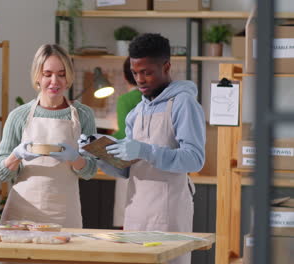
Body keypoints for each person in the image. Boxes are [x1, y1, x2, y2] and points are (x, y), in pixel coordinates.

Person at [81, 33, 205, 264]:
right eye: (135, 72)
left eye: (147, 72)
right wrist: (98, 154)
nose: (140, 79)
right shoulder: (136, 113)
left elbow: (195, 159)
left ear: (166, 66)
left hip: (169, 215)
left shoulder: (183, 104)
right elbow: (127, 170)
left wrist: (146, 151)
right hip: (135, 214)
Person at [0, 44, 97, 228]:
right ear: (38, 77)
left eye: (61, 74)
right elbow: (1, 173)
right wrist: (16, 155)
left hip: (64, 215)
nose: (54, 81)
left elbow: (90, 170)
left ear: (69, 78)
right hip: (22, 215)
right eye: (47, 74)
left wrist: (75, 158)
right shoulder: (19, 116)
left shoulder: (83, 115)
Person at [111, 57, 142, 229]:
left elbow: (124, 134)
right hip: (152, 165)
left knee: (126, 222)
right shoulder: (157, 97)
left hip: (128, 165)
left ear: (124, 77)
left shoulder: (125, 100)